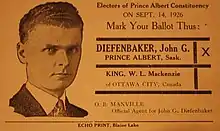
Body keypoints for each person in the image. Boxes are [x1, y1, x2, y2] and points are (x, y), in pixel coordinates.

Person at [9, 2, 88, 117]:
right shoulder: (10, 112)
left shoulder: (82, 116)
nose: (65, 62)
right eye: (51, 50)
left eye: (72, 50)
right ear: (22, 53)